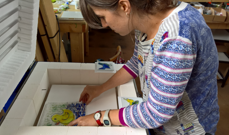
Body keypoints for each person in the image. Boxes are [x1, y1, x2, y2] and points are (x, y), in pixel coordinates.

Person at [68, 0, 219, 134]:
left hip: (187, 127)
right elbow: (137, 62)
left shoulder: (177, 37)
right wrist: (100, 88)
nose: (104, 24)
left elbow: (156, 113)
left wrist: (100, 117)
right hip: (163, 122)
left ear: (124, 6)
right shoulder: (145, 17)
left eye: (102, 17)